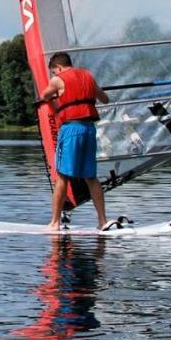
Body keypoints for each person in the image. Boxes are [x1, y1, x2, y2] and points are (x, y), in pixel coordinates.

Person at [39, 52, 110, 231]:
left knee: (62, 176)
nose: (55, 75)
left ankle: (54, 223)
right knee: (91, 177)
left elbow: (44, 95)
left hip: (71, 130)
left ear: (59, 68)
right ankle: (103, 221)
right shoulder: (88, 76)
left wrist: (55, 101)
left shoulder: (58, 80)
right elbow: (105, 98)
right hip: (89, 129)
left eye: (54, 72)